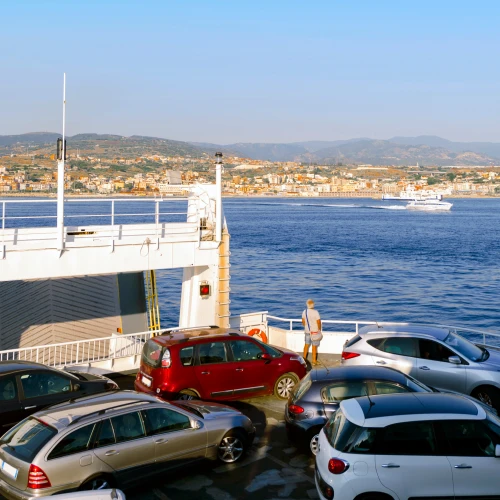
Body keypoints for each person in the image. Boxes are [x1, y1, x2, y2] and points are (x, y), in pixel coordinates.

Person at [302, 299, 322, 365]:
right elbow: (318, 322)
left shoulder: (304, 311)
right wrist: (319, 329)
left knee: (306, 345)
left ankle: (304, 359)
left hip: (307, 331)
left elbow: (303, 321)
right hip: (314, 331)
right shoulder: (315, 312)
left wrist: (306, 327)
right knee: (314, 346)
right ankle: (314, 361)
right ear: (313, 305)